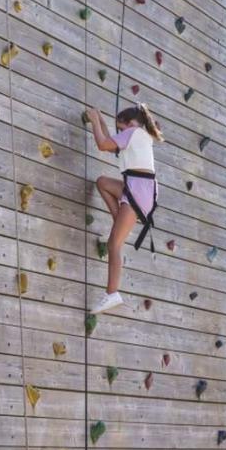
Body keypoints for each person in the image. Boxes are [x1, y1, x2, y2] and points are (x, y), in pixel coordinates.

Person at [84, 103, 164, 313]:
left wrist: (93, 122)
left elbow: (103, 144)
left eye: (120, 128)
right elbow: (111, 141)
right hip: (137, 189)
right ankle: (120, 218)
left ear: (128, 123)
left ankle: (112, 294)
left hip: (137, 193)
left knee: (114, 245)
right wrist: (101, 119)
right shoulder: (139, 135)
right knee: (102, 182)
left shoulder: (133, 133)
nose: (120, 133)